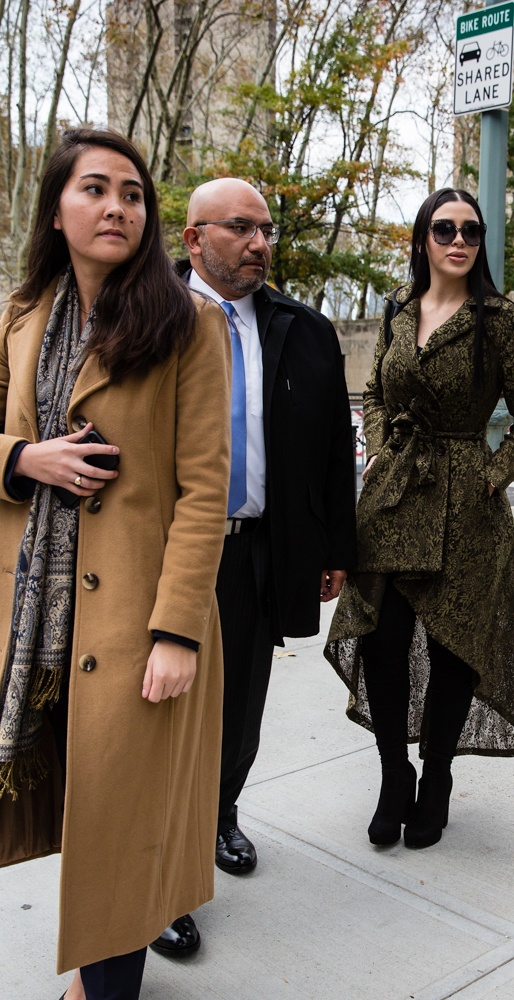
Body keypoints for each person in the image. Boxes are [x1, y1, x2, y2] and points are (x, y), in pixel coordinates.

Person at [0, 128, 232, 1000]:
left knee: (122, 829)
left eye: (133, 194)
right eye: (95, 189)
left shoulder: (188, 322)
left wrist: (176, 631)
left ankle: (101, 991)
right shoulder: (22, 317)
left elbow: (205, 488)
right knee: (73, 807)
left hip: (138, 621)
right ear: (57, 209)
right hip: (32, 621)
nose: (117, 207)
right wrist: (25, 458)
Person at [150, 177, 357, 956]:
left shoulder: (301, 329)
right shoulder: (146, 318)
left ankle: (220, 815)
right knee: (165, 719)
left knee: (239, 711)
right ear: (195, 238)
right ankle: (161, 877)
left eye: (266, 229)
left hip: (262, 549)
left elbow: (336, 448)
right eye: (241, 229)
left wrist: (336, 548)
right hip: (167, 554)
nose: (260, 244)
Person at [325, 187, 514, 850]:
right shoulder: (396, 307)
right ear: (423, 236)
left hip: (466, 507)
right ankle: (393, 774)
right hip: (396, 498)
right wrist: (376, 445)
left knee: (454, 649)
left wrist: (489, 476)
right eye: (444, 228)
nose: (458, 241)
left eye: (471, 232)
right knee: (383, 639)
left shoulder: (499, 319)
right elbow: (373, 391)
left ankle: (438, 777)